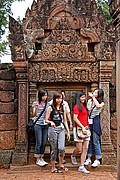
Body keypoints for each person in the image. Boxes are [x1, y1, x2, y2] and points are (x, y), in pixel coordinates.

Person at [45, 91, 70, 173]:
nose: (59, 100)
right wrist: (50, 122)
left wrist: (68, 131)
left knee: (61, 148)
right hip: (53, 129)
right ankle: (53, 167)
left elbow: (65, 120)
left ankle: (60, 164)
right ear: (54, 99)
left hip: (61, 128)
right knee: (54, 149)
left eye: (61, 98)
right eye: (58, 98)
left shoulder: (63, 108)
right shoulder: (50, 108)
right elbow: (46, 119)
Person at [71, 91, 90, 174]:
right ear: (78, 98)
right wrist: (82, 127)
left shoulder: (85, 106)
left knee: (85, 148)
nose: (83, 99)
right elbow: (75, 118)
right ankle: (73, 155)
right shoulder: (76, 107)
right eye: (81, 97)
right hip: (79, 128)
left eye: (84, 97)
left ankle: (82, 166)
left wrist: (86, 127)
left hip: (86, 128)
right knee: (79, 149)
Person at [84, 88, 104, 168]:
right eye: (94, 92)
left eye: (96, 92)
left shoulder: (101, 103)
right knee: (89, 140)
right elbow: (88, 110)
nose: (94, 93)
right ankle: (88, 157)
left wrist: (93, 97)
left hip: (95, 121)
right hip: (89, 121)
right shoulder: (89, 101)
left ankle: (97, 159)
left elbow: (98, 106)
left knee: (95, 141)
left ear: (99, 95)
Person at [32, 88, 49, 166]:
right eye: (43, 96)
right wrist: (36, 108)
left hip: (45, 124)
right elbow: (34, 115)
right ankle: (37, 158)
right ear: (40, 96)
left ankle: (42, 157)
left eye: (45, 95)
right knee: (39, 142)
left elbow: (48, 115)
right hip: (38, 124)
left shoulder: (48, 104)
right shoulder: (36, 103)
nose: (44, 97)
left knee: (44, 142)